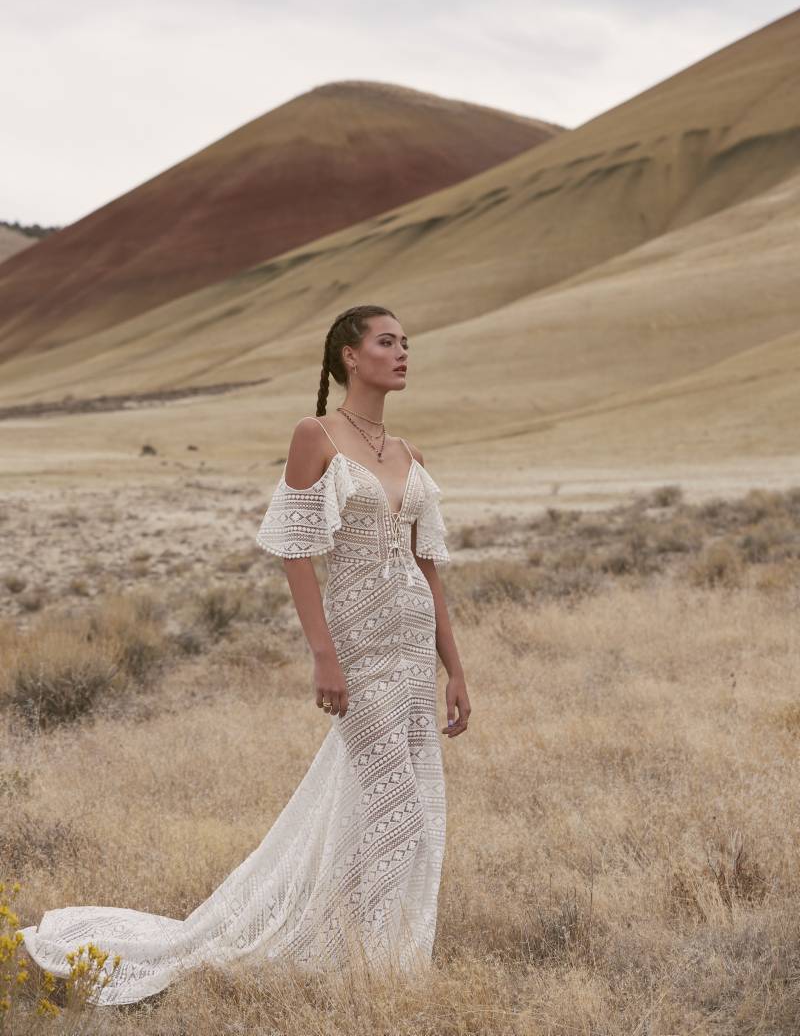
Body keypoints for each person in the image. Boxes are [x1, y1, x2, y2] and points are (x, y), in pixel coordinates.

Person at [20, 304, 471, 1006]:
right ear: (351, 357)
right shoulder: (314, 435)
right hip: (358, 646)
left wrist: (457, 669)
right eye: (388, 342)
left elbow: (430, 566)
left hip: (414, 649)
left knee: (405, 803)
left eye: (406, 343)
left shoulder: (411, 453)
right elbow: (294, 551)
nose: (403, 353)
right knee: (397, 806)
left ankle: (376, 957)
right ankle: (364, 962)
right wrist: (323, 655)